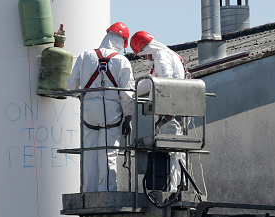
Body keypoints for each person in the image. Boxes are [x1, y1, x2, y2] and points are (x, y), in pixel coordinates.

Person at [67, 22, 135, 192]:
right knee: (107, 153)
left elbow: (72, 85)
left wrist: (85, 98)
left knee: (89, 152)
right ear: (122, 42)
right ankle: (107, 191)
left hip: (89, 111)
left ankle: (88, 191)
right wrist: (128, 117)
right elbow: (127, 94)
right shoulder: (121, 61)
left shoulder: (84, 56)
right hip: (111, 114)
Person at [130, 31, 190, 193]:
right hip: (173, 111)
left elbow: (164, 79)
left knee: (173, 150)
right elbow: (149, 84)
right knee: (175, 149)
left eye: (143, 57)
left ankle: (173, 188)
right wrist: (131, 89)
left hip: (169, 113)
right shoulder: (167, 55)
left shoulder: (160, 56)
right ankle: (178, 185)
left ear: (146, 51)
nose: (144, 60)